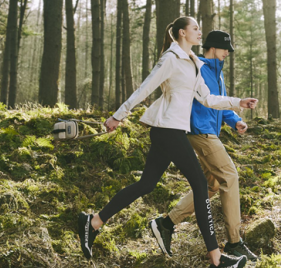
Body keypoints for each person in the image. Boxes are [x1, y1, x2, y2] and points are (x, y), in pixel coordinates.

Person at [78, 16, 258, 268]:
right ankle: (217, 259)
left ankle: (94, 222)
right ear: (182, 33)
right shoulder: (171, 59)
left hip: (172, 131)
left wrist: (238, 102)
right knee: (200, 184)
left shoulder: (193, 63)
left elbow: (207, 99)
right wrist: (118, 116)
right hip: (167, 130)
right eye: (195, 28)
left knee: (146, 184)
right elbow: (144, 88)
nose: (199, 32)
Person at [149, 30, 259, 262]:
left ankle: (166, 223)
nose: (227, 53)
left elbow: (220, 103)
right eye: (224, 49)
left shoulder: (218, 74)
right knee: (230, 175)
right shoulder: (197, 66)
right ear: (212, 47)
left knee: (211, 185)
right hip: (199, 131)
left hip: (208, 130)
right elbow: (198, 99)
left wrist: (235, 120)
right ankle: (235, 242)